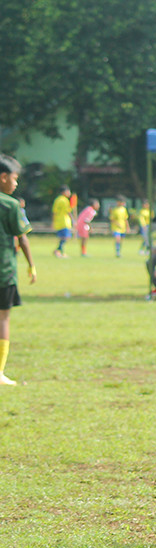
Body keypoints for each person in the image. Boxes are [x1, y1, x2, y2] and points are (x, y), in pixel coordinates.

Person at [0, 155, 36, 386]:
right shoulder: (10, 205)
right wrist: (31, 265)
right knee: (3, 317)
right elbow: (22, 238)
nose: (16, 184)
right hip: (3, 272)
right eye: (14, 179)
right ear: (3, 178)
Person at [52, 185, 73, 258]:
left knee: (62, 237)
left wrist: (53, 221)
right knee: (66, 237)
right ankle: (59, 251)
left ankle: (60, 251)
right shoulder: (65, 200)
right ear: (65, 192)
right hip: (65, 221)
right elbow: (68, 211)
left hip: (58, 221)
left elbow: (54, 211)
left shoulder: (57, 199)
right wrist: (73, 220)